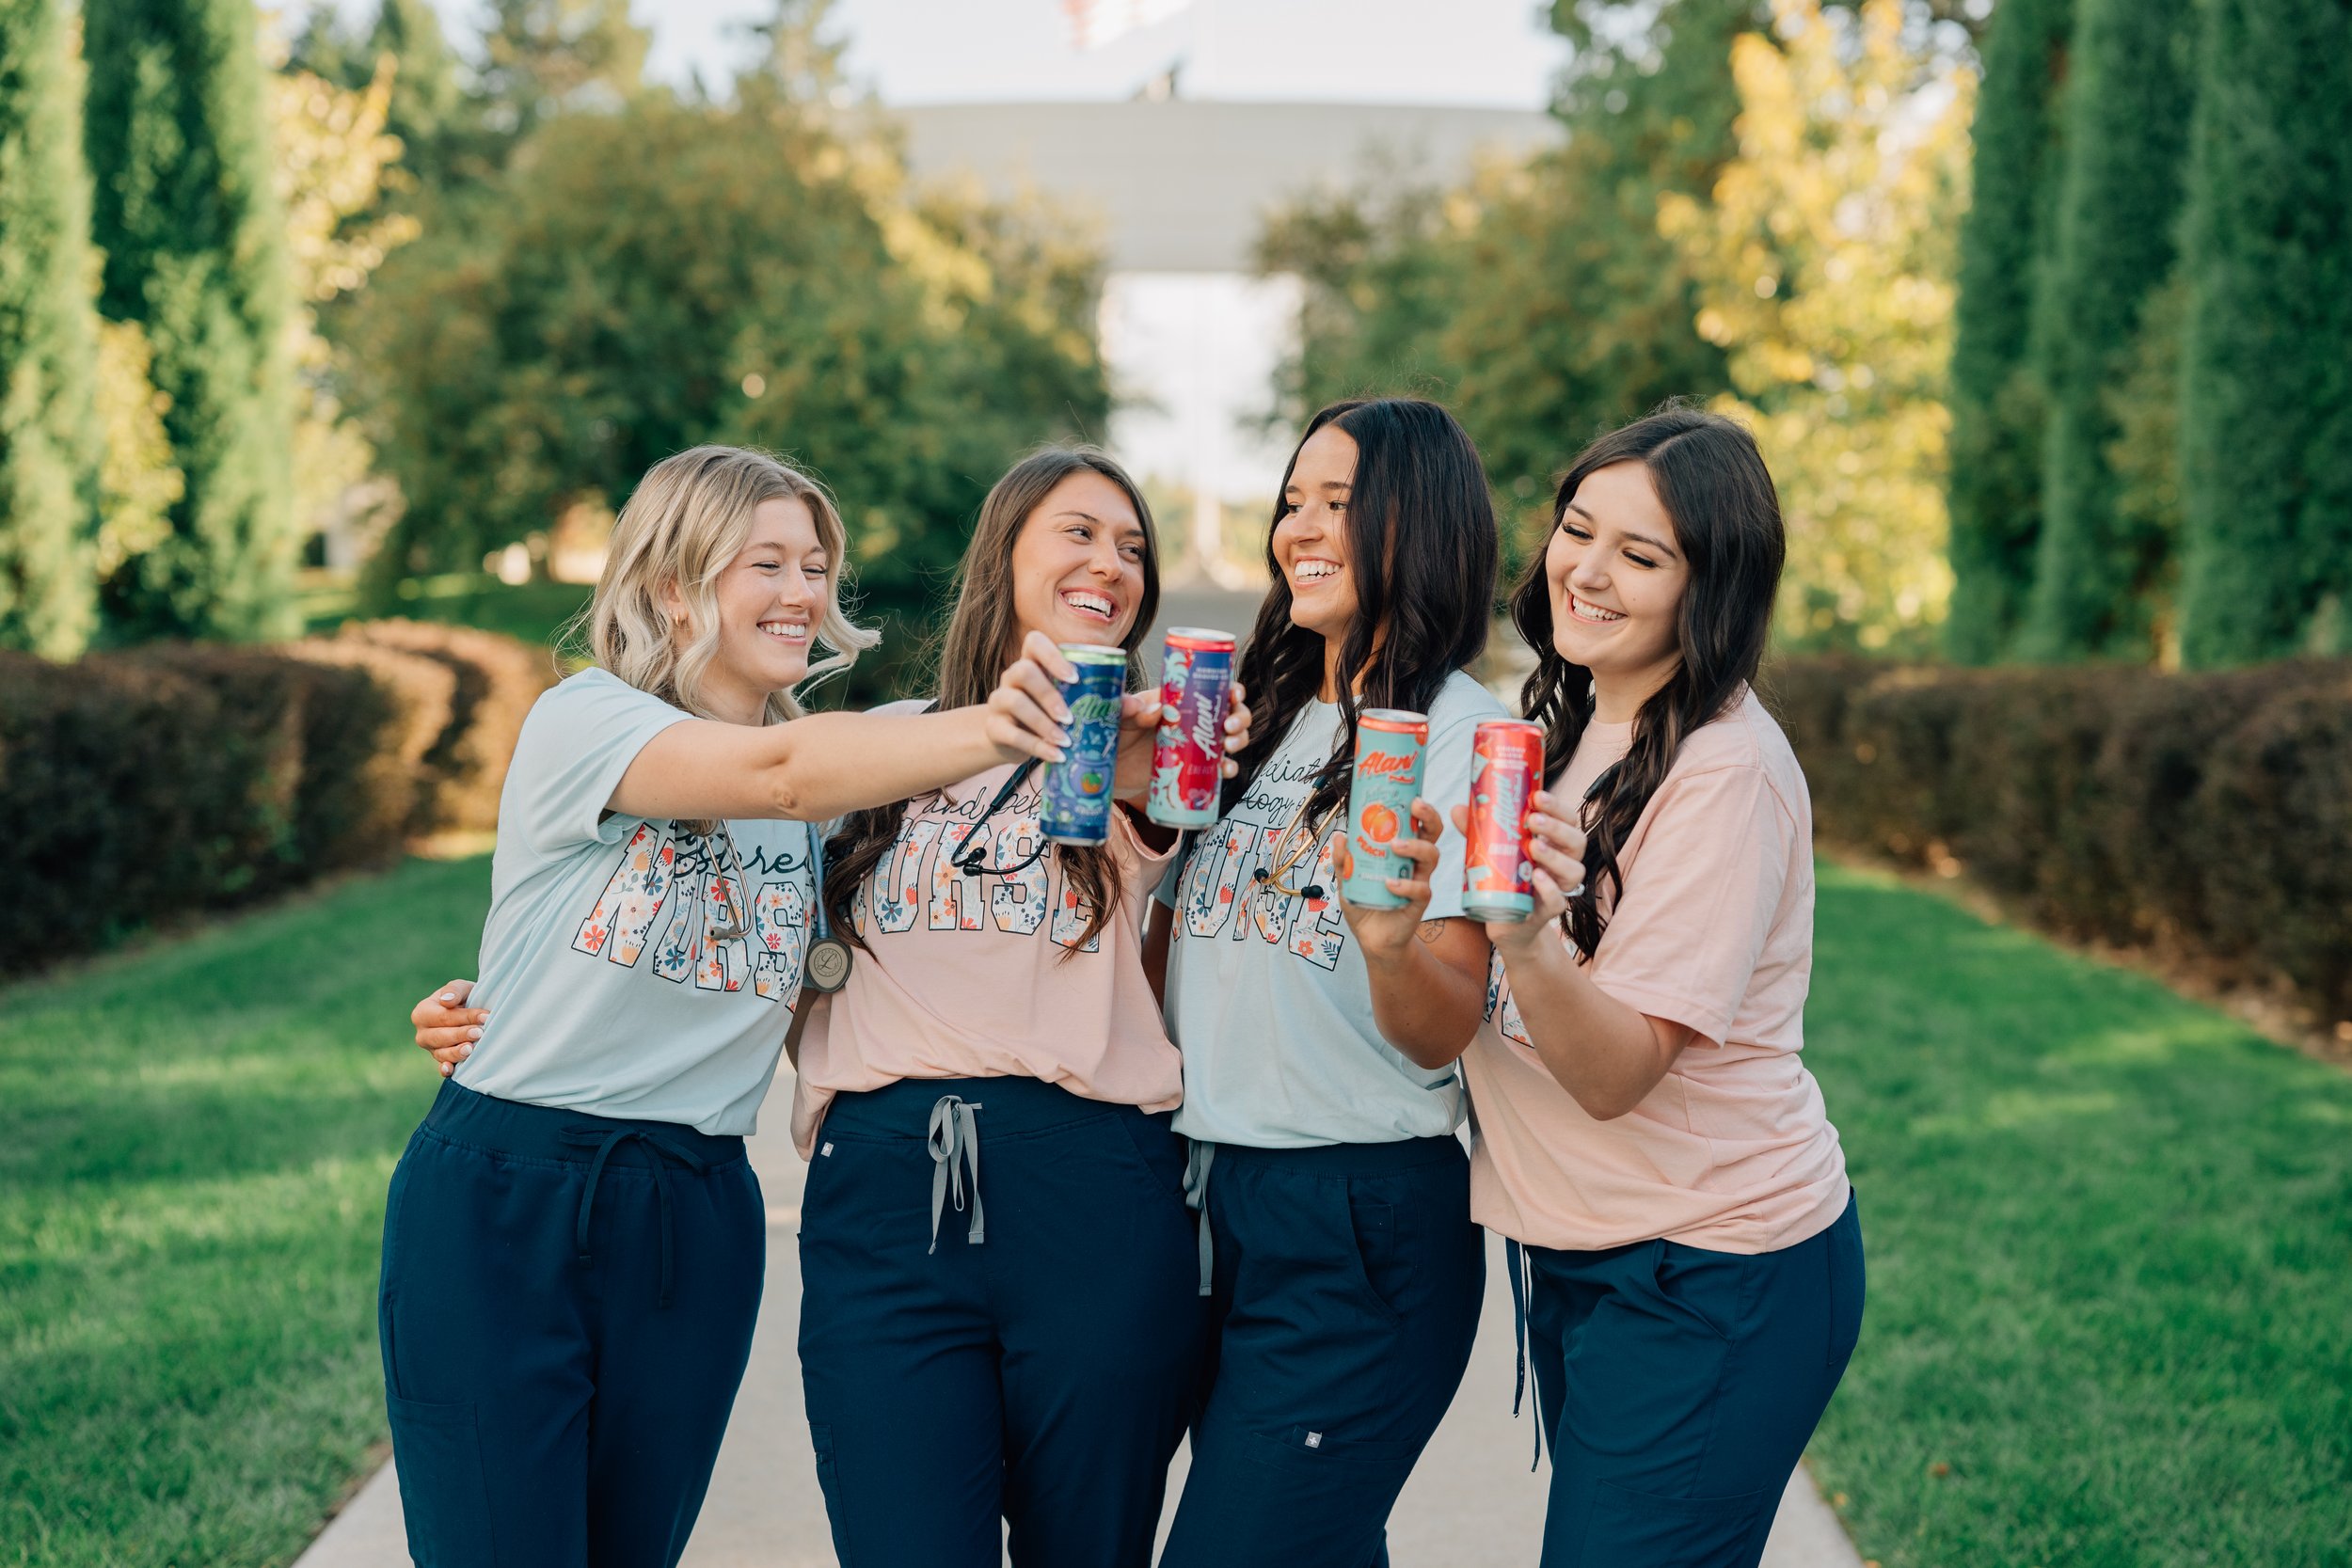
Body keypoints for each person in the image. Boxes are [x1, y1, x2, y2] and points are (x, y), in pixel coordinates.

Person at [410, 448, 1249, 1568]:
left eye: (817, 563)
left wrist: (1138, 756)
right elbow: (783, 771)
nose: (804, 591)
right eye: (767, 561)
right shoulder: (590, 722)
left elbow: (818, 853)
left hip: (695, 1203)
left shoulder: (824, 820)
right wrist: (1028, 720)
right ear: (673, 582)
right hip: (519, 1189)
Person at [1455, 404, 1862, 1567]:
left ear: (1711, 588)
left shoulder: (1725, 768)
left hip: (1715, 1266)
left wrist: (1526, 942)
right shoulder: (1574, 719)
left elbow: (1619, 1071)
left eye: (1640, 556)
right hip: (1599, 1253)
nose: (1586, 570)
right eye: (1578, 530)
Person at [1144, 397, 1505, 1568]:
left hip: (1359, 1219)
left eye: (1337, 504)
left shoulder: (1456, 731)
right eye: (1292, 499)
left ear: (1419, 523)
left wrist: (1392, 940)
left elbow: (1441, 1031)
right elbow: (1173, 954)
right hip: (1209, 1194)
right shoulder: (1261, 714)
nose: (1298, 526)